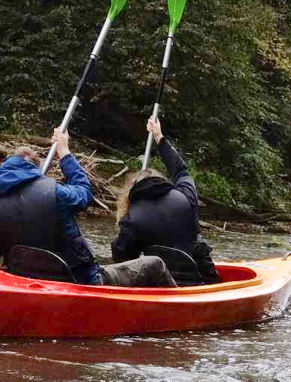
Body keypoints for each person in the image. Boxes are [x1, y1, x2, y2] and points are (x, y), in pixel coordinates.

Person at [0, 128, 176, 287]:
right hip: (81, 281)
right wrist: (64, 151)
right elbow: (84, 192)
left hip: (24, 281)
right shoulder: (56, 195)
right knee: (154, 264)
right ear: (35, 168)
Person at [112, 117, 220, 284]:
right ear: (160, 180)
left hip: (160, 284)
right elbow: (181, 171)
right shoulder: (185, 197)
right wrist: (159, 137)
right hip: (199, 281)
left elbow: (122, 258)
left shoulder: (131, 218)